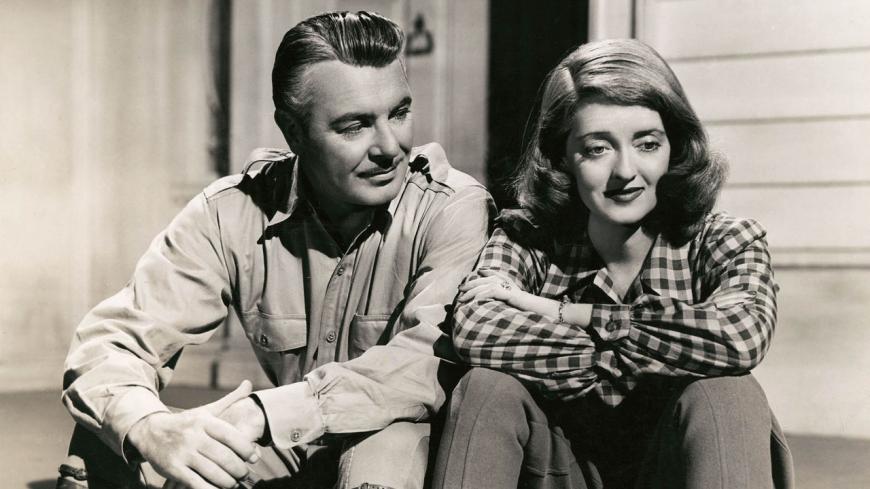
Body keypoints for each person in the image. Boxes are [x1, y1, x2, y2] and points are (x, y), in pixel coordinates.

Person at [57, 11, 494, 489]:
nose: (390, 147)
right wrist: (152, 428)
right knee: (106, 441)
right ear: (293, 132)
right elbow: (112, 341)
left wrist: (262, 413)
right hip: (294, 446)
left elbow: (424, 364)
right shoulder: (231, 212)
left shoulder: (453, 208)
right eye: (355, 126)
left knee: (385, 444)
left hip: (398, 448)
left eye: (399, 113)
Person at [431, 39, 793, 489]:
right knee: (486, 388)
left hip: (677, 473)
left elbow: (740, 337)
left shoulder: (727, 240)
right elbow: (475, 329)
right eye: (597, 148)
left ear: (675, 147)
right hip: (560, 471)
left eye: (647, 144)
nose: (625, 171)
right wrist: (654, 352)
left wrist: (565, 313)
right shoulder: (527, 238)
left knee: (729, 392)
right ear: (561, 158)